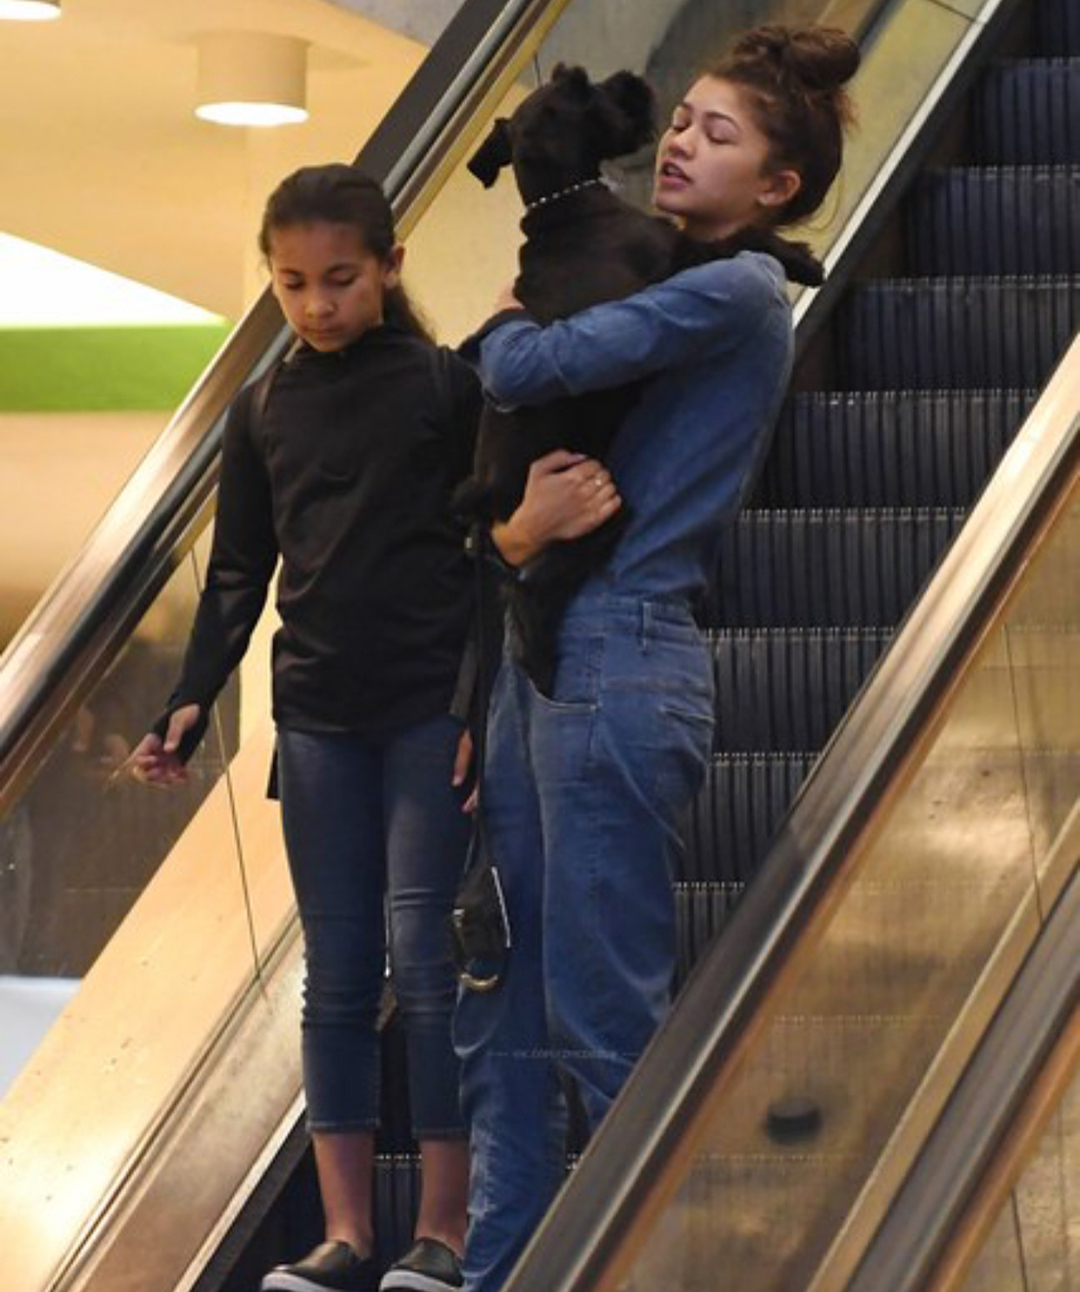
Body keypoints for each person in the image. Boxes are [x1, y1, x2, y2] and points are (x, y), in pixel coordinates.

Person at [453, 25, 860, 1292]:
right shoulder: (660, 272)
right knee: (509, 1001)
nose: (680, 141)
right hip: (548, 648)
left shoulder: (734, 291)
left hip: (620, 646)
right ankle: (505, 1268)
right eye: (680, 119)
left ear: (778, 186)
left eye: (717, 135)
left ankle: (686, 1266)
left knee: (600, 1010)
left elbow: (535, 362)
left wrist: (499, 328)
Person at [129, 163, 485, 1292]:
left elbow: (490, 558)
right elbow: (239, 569)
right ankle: (345, 1234)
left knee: (425, 960)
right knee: (336, 969)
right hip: (319, 715)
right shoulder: (264, 407)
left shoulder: (443, 386)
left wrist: (479, 706)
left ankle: (447, 1228)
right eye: (292, 284)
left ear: (390, 266)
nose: (317, 304)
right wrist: (190, 697)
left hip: (429, 707)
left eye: (341, 279)